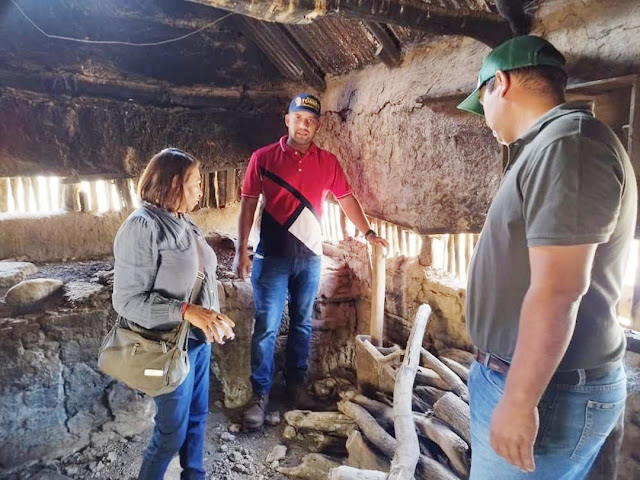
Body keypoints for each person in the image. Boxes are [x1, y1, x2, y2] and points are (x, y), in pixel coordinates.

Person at [457, 35, 636, 479]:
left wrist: (519, 401)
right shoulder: (549, 146)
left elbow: (560, 289)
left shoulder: (569, 145)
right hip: (536, 382)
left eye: (483, 102)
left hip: (547, 390)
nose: (485, 120)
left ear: (499, 83)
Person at [233, 94, 389, 429]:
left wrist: (369, 232)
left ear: (317, 125)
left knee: (303, 325)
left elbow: (347, 199)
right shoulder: (263, 159)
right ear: (287, 120)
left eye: (311, 120)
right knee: (266, 328)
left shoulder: (328, 162)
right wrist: (240, 251)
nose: (305, 125)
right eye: (299, 117)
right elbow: (247, 205)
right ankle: (259, 397)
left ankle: (296, 389)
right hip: (270, 257)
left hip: (309, 258)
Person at [112, 148, 235, 480]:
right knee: (170, 435)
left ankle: (194, 475)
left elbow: (199, 276)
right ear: (174, 183)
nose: (200, 190)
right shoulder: (142, 227)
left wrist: (213, 316)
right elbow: (126, 301)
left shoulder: (184, 221)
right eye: (195, 183)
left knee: (197, 418)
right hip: (165, 347)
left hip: (196, 341)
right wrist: (186, 311)